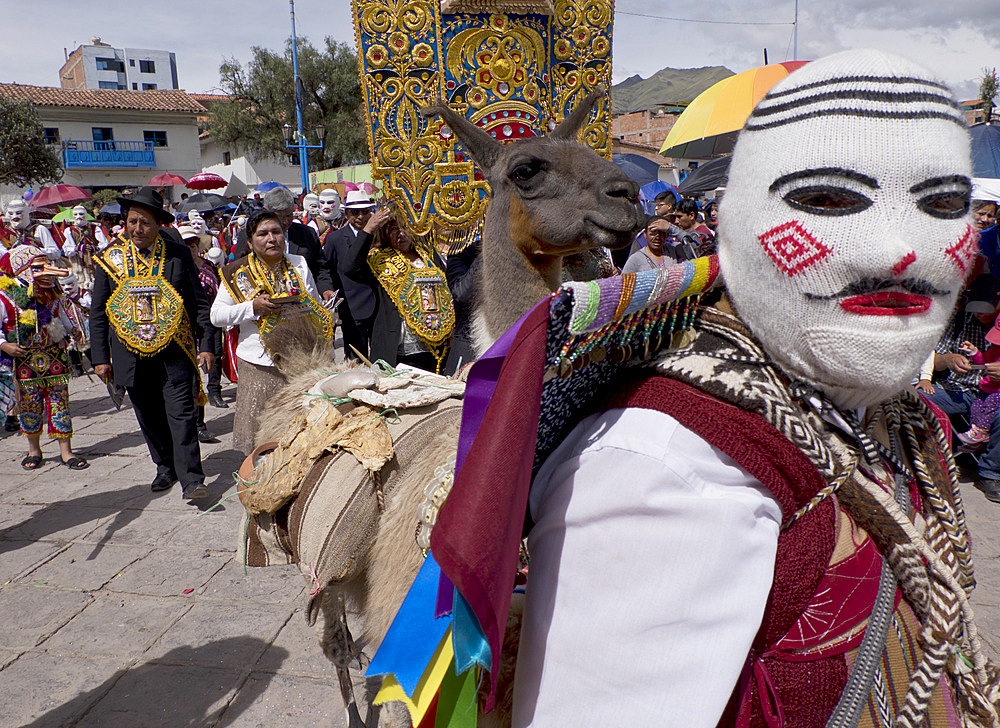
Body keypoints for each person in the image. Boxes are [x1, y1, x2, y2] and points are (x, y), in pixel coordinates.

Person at [428, 49, 992, 727]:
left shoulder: (893, 418)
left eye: (943, 205)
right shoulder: (669, 470)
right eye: (832, 200)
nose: (906, 249)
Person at [90, 187, 214, 501]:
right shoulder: (111, 259)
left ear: (159, 224)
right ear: (125, 223)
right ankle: (164, 466)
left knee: (181, 414)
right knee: (148, 414)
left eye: (145, 223)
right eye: (132, 222)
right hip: (129, 353)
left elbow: (198, 303)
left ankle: (192, 480)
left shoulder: (177, 254)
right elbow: (99, 310)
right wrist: (100, 357)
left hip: (174, 351)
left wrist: (207, 344)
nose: (138, 229)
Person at [211, 210, 334, 455]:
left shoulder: (298, 263)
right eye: (263, 234)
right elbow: (216, 316)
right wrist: (252, 308)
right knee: (261, 439)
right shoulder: (237, 272)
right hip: (259, 364)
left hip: (300, 361)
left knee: (299, 433)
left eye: (276, 232)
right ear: (249, 242)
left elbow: (311, 301)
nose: (271, 239)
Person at [0, 246, 88, 470]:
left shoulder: (53, 292)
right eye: (39, 268)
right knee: (29, 404)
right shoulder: (6, 296)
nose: (47, 272)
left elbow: (62, 314)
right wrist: (5, 345)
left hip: (54, 354)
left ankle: (66, 451)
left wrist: (72, 330)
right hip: (25, 358)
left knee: (60, 402)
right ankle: (34, 450)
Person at [340, 208, 454, 372]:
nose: (401, 233)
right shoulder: (378, 259)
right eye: (394, 229)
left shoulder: (427, 255)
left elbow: (444, 292)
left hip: (433, 343)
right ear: (385, 233)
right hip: (398, 347)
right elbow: (350, 267)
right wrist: (368, 229)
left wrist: (449, 326)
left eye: (405, 227)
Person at [178, 223, 226, 438]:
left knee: (215, 356)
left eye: (193, 243)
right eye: (185, 244)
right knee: (192, 376)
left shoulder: (208, 266)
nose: (190, 247)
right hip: (185, 326)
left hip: (210, 321)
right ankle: (198, 423)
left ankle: (215, 391)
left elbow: (220, 287)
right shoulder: (176, 268)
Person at [328, 191, 381, 361]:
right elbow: (327, 269)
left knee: (382, 359)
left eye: (365, 212)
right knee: (356, 360)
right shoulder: (334, 239)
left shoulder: (381, 235)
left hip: (379, 307)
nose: (360, 216)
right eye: (355, 212)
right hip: (352, 308)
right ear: (346, 214)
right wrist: (328, 291)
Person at [954, 322, 1000, 448]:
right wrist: (974, 352)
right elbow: (983, 361)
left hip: (997, 392)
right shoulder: (995, 349)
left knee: (991, 404)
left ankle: (981, 432)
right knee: (976, 406)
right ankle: (976, 436)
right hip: (987, 388)